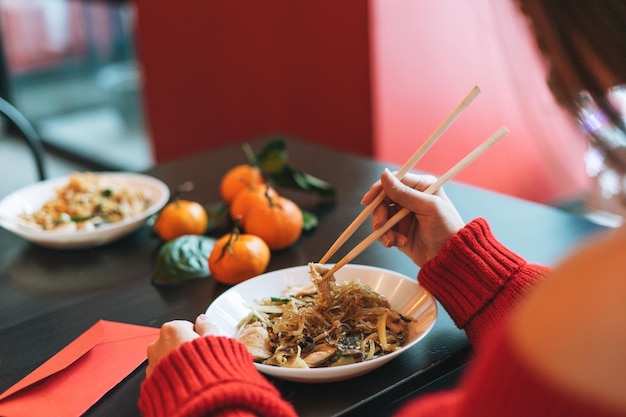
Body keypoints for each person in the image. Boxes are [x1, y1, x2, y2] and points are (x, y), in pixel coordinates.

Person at [138, 1, 626, 416]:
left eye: (540, 34)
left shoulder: (598, 300)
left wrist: (205, 392)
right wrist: (478, 275)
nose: (552, 77)